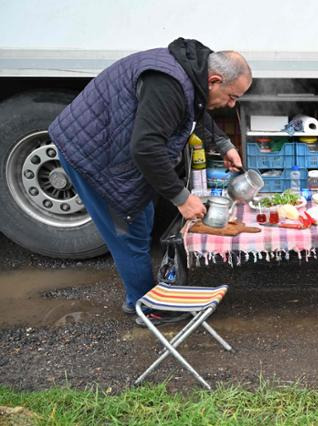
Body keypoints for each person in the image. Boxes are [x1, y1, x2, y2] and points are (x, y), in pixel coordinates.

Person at [48, 38, 252, 326]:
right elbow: (146, 149)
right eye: (233, 96)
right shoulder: (167, 83)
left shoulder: (192, 73)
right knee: (129, 232)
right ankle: (145, 307)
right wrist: (182, 198)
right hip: (92, 156)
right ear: (215, 79)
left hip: (115, 149)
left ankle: (147, 297)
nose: (231, 104)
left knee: (141, 219)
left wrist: (223, 143)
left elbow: (197, 110)